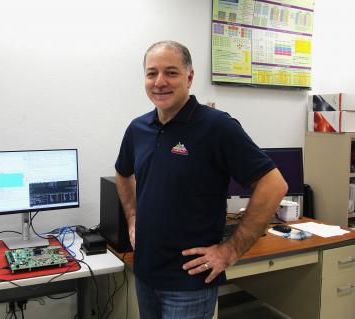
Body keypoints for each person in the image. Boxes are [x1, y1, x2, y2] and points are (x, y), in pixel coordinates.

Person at [114, 40, 288, 319]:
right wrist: (133, 219)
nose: (160, 82)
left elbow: (274, 184)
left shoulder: (217, 126)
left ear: (190, 77)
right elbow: (123, 173)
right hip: (145, 272)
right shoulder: (137, 128)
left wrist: (230, 251)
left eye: (171, 72)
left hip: (189, 282)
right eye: (151, 73)